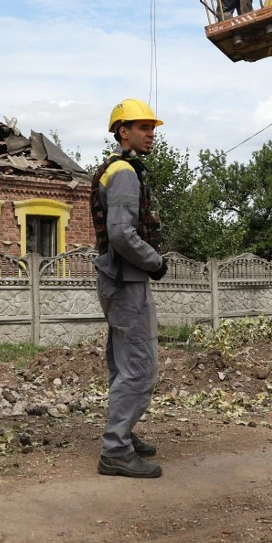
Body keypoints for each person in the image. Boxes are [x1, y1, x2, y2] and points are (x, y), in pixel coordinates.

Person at [90, 98, 168, 479]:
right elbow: (122, 233)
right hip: (126, 281)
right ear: (123, 132)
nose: (151, 134)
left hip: (115, 280)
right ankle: (116, 449)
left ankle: (122, 433)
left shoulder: (113, 169)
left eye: (152, 128)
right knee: (140, 366)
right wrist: (155, 261)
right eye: (143, 128)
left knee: (123, 364)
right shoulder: (124, 172)